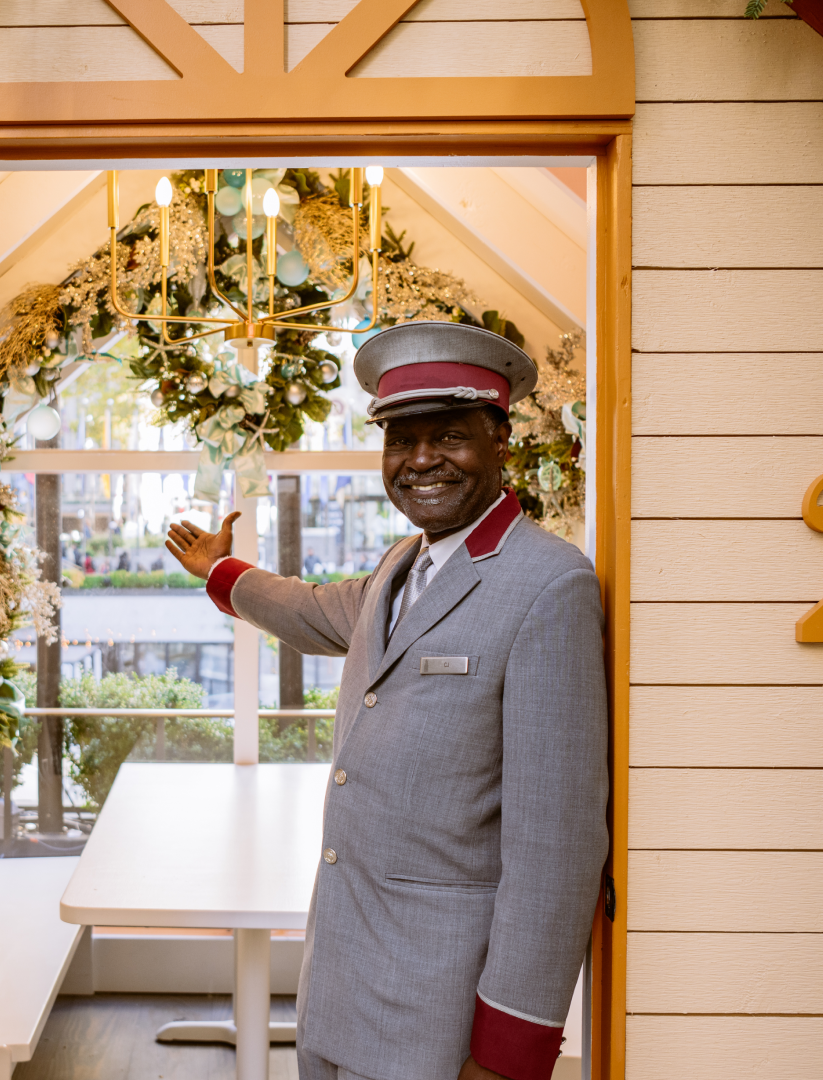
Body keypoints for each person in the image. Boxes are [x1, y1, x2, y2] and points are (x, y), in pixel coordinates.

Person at [165, 321, 608, 1080]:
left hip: (439, 1022)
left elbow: (557, 854)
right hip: (338, 993)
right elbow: (312, 609)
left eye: (450, 435)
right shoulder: (405, 563)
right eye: (401, 439)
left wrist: (509, 1052)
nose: (422, 460)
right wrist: (222, 573)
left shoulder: (550, 585)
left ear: (501, 439)